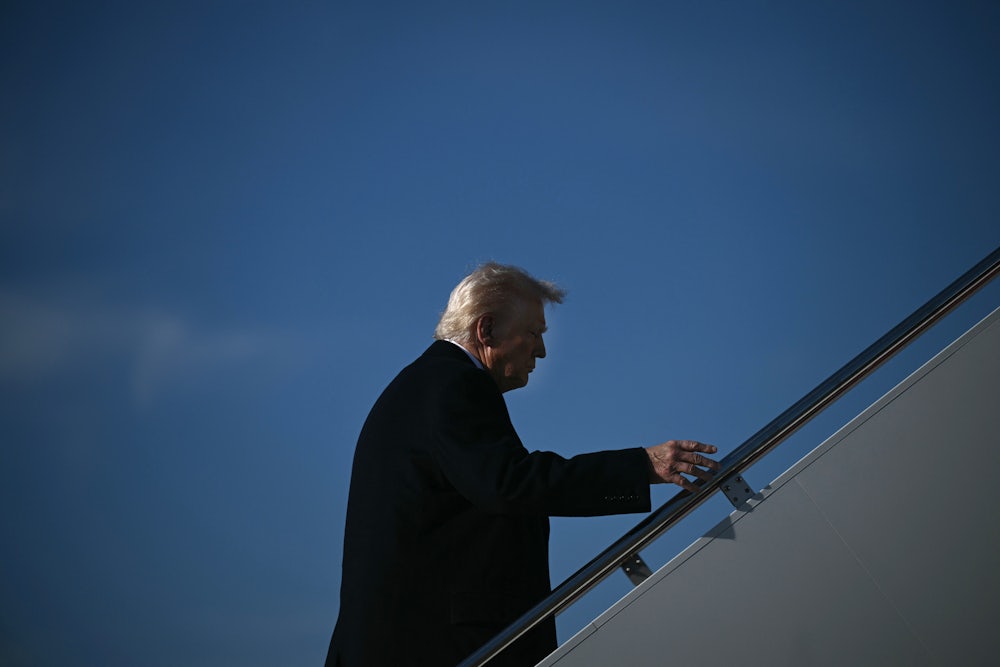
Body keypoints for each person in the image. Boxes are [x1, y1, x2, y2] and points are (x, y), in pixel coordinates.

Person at [325, 262, 719, 667]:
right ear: (486, 330)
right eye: (534, 333)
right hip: (439, 647)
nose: (542, 351)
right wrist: (640, 467)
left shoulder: (429, 382)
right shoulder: (452, 383)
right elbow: (508, 483)